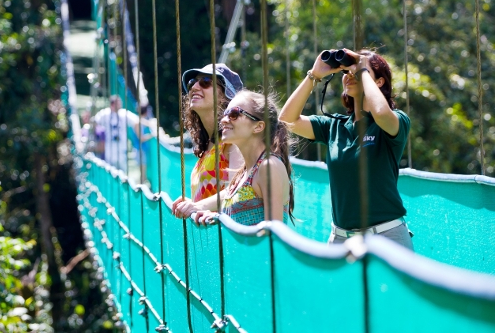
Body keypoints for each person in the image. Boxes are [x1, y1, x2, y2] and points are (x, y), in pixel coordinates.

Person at [279, 48, 413, 249]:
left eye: (359, 71)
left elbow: (381, 113)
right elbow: (286, 120)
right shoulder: (334, 126)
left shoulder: (396, 121)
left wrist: (363, 69)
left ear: (379, 82)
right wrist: (313, 75)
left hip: (387, 238)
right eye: (347, 72)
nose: (351, 75)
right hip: (341, 240)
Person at [193, 90, 294, 226]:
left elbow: (273, 236)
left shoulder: (269, 166)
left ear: (258, 126)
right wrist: (211, 214)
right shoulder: (243, 173)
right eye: (225, 114)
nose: (223, 120)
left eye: (234, 114)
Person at [172, 63, 244, 217]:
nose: (194, 87)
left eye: (205, 82)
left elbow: (239, 190)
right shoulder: (209, 146)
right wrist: (190, 203)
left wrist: (197, 205)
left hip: (229, 238)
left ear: (226, 96)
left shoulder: (236, 140)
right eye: (192, 83)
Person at [93, 95, 138, 172]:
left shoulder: (124, 113)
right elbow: (94, 122)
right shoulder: (105, 113)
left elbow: (137, 121)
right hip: (109, 148)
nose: (120, 105)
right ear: (112, 104)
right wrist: (99, 135)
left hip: (122, 148)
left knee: (123, 173)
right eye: (118, 103)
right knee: (110, 172)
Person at [132, 104, 153, 184]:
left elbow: (148, 123)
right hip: (139, 150)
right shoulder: (137, 123)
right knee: (142, 174)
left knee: (143, 173)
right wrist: (152, 135)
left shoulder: (141, 121)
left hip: (142, 150)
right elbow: (141, 138)